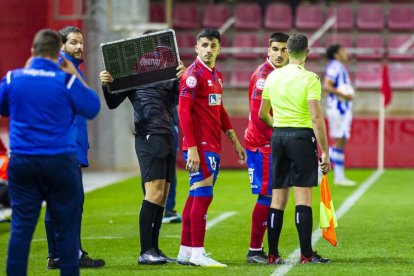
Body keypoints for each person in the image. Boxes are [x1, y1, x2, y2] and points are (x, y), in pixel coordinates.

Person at [2, 28, 100, 276]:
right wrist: (73, 74)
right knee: (66, 228)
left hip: (23, 162)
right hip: (59, 162)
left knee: (21, 229)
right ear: (59, 53)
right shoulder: (65, 80)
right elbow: (92, 107)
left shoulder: (14, 79)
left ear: (32, 52)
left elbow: (3, 107)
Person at [99, 31, 186, 265]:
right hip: (149, 133)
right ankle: (145, 250)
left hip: (168, 133)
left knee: (163, 195)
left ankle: (154, 249)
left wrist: (184, 78)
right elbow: (112, 103)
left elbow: (181, 99)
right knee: (154, 193)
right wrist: (107, 84)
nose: (158, 52)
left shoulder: (170, 72)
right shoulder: (134, 73)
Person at [176, 28, 246, 267]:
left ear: (219, 48)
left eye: (212, 45)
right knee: (204, 196)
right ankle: (198, 253)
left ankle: (186, 251)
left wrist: (234, 140)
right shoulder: (193, 75)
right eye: (203, 45)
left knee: (195, 196)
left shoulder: (215, 76)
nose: (208, 49)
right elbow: (183, 111)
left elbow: (220, 110)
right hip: (201, 147)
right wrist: (192, 147)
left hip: (212, 145)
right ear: (196, 48)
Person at [259, 33, 331, 264]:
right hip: (301, 137)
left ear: (287, 52)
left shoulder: (272, 77)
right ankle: (306, 255)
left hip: (279, 136)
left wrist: (279, 128)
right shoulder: (311, 79)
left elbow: (262, 114)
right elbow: (316, 117)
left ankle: (272, 254)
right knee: (303, 198)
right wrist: (325, 151)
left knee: (277, 199)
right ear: (307, 53)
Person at [43, 25, 105, 270]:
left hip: (69, 147)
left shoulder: (70, 69)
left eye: (81, 42)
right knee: (70, 201)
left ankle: (58, 254)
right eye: (73, 42)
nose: (79, 46)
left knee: (64, 202)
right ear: (61, 46)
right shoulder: (63, 70)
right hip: (63, 148)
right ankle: (69, 254)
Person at [244, 32, 289, 264]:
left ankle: (259, 248)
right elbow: (258, 116)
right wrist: (279, 137)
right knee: (267, 194)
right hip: (263, 144)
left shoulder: (281, 74)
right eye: (276, 49)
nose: (279, 54)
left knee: (274, 195)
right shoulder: (264, 76)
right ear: (268, 50)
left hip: (273, 142)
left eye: (284, 49)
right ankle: (254, 250)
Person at [323, 44, 356, 186]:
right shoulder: (335, 67)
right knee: (339, 141)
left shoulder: (338, 67)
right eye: (343, 50)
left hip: (341, 108)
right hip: (338, 108)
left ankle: (339, 176)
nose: (345, 52)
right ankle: (320, 171)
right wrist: (344, 94)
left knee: (341, 141)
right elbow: (326, 85)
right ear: (336, 54)